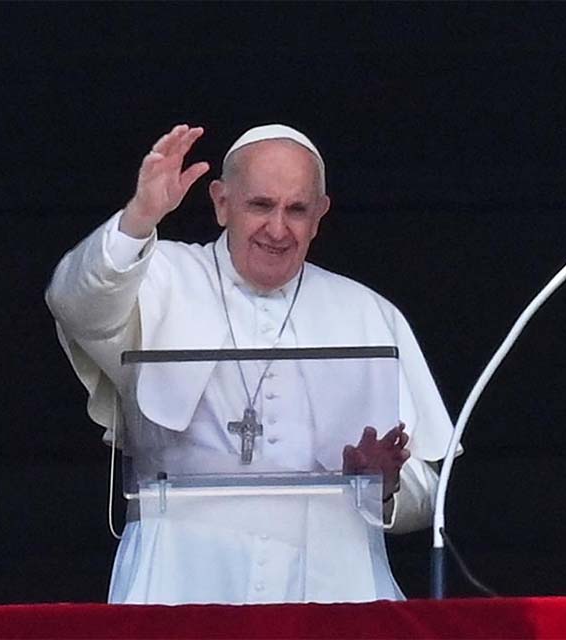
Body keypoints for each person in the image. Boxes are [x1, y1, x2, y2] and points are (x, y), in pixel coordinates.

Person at [46, 123, 456, 604]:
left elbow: (427, 492)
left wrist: (381, 486)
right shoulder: (160, 277)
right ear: (221, 203)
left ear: (320, 216)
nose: (278, 229)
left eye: (297, 210)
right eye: (260, 205)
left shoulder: (367, 312)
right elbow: (75, 303)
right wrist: (139, 218)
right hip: (181, 574)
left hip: (332, 580)